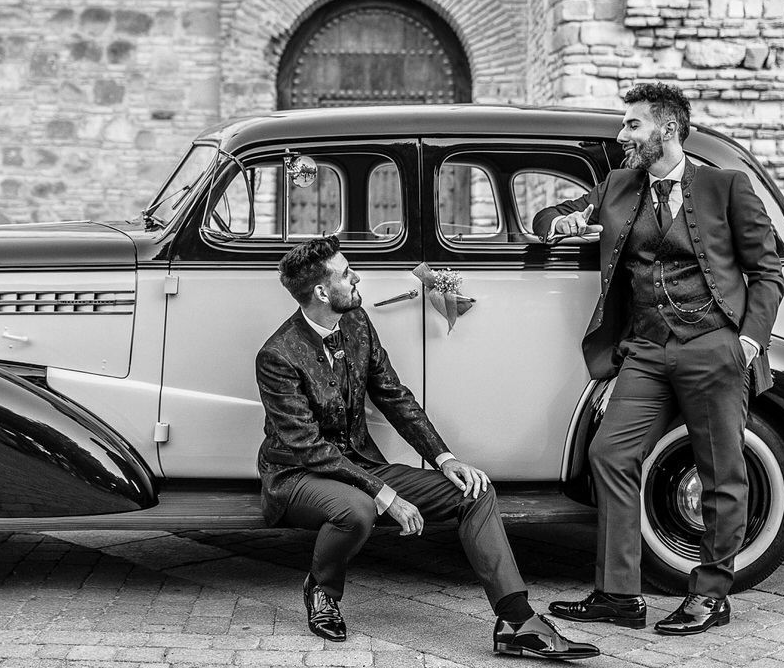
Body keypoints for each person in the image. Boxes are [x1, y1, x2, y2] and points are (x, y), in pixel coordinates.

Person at [255, 235, 598, 660]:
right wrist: (385, 496)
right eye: (347, 274)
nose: (357, 276)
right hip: (297, 476)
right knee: (358, 510)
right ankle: (322, 589)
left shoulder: (357, 321)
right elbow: (308, 448)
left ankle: (516, 621)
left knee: (475, 491)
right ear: (322, 292)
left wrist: (445, 458)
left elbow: (393, 395)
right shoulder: (276, 355)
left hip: (360, 465)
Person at [533, 82, 784, 635]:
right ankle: (620, 595)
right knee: (609, 454)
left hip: (713, 346)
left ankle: (711, 594)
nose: (623, 135)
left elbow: (768, 273)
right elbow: (551, 213)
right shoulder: (619, 185)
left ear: (667, 130)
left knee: (721, 472)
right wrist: (562, 222)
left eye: (632, 125)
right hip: (645, 350)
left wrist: (747, 341)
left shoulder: (725, 187)